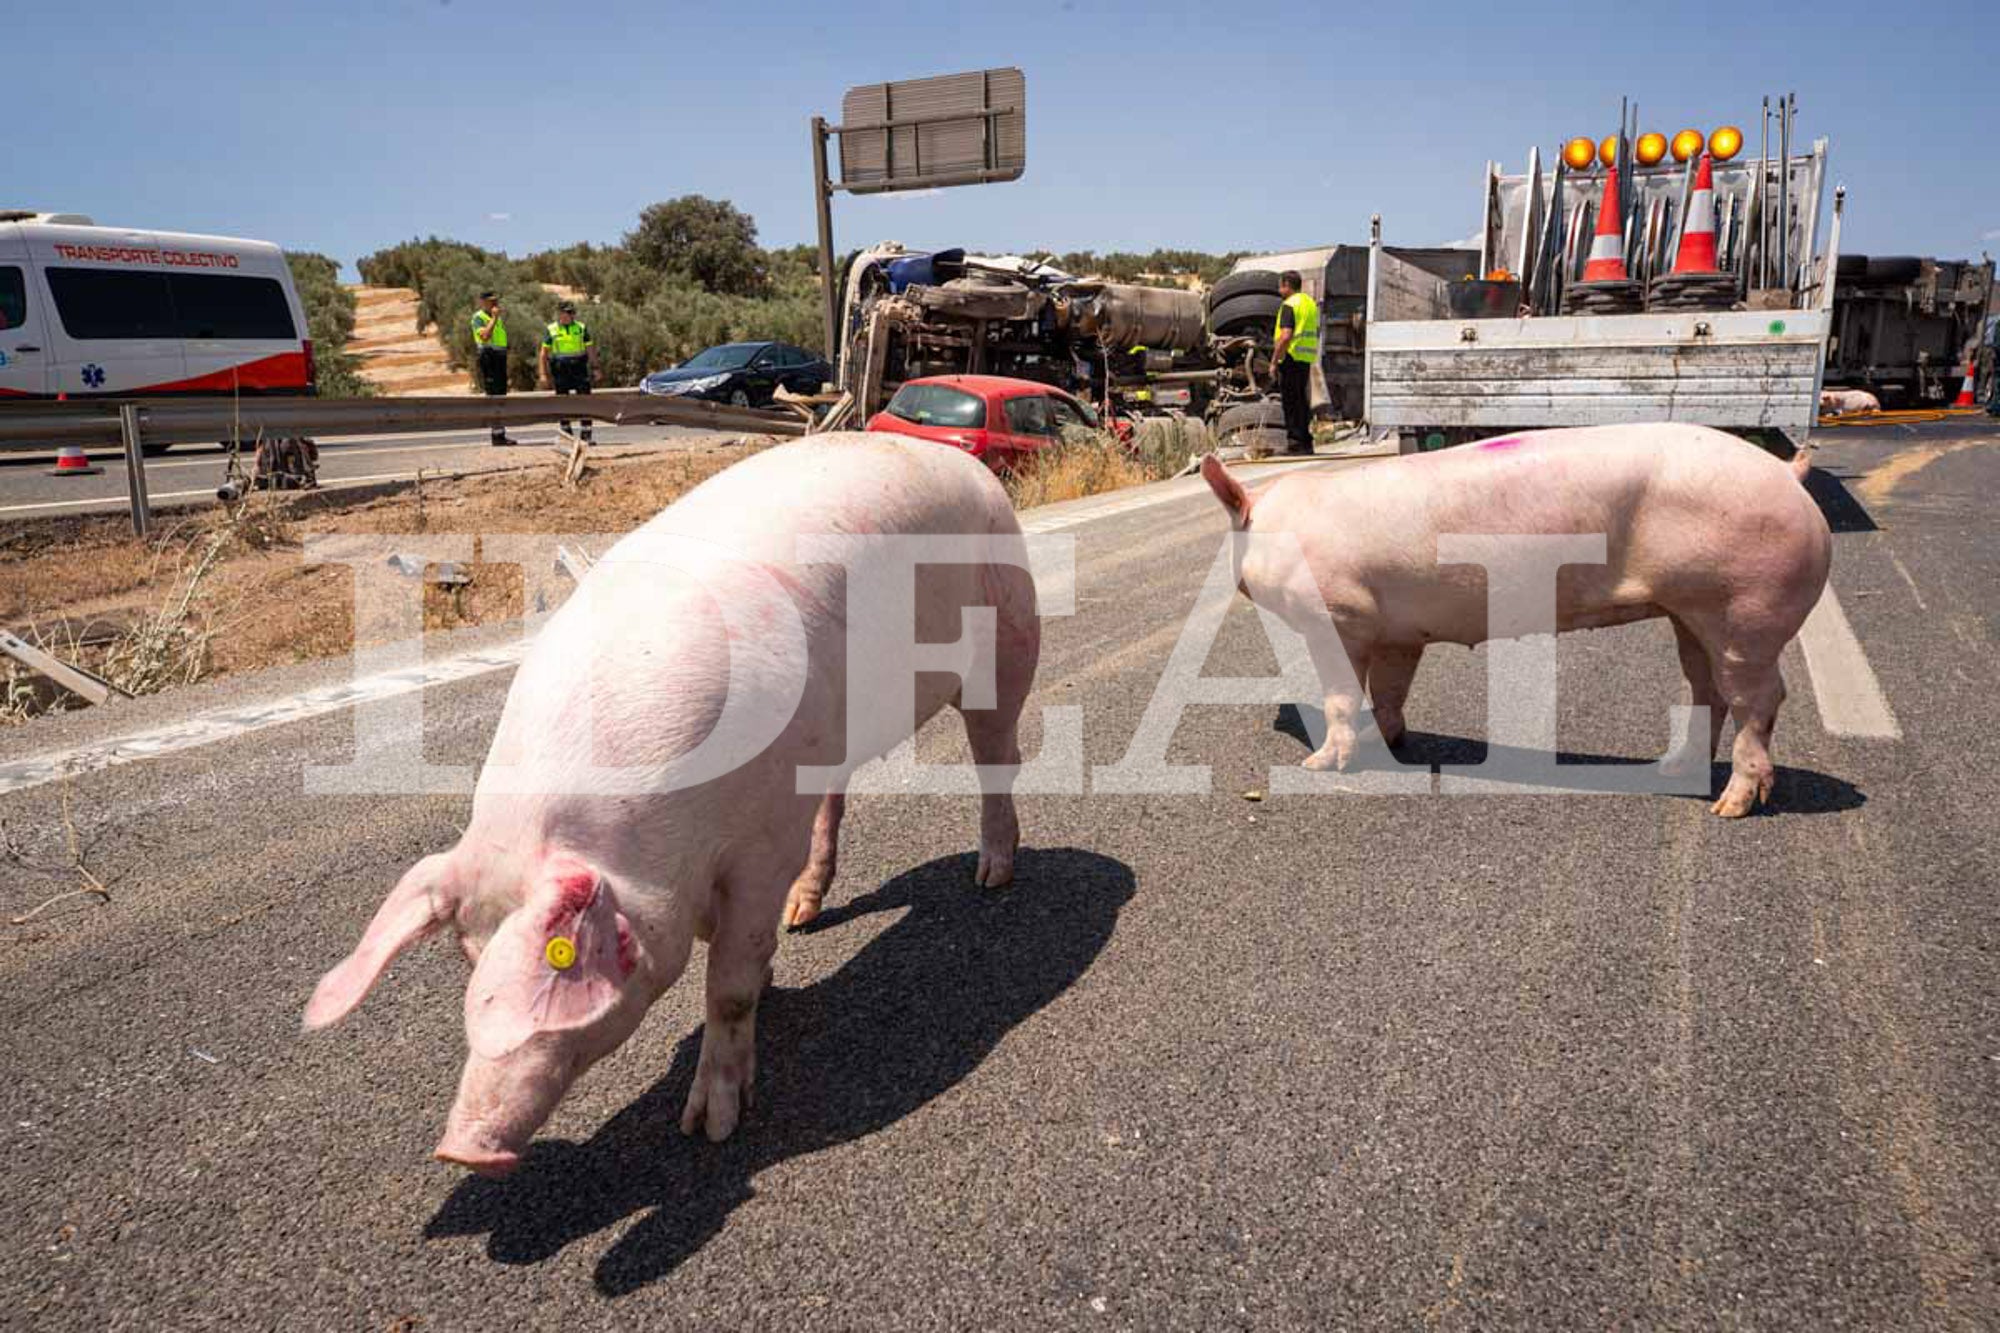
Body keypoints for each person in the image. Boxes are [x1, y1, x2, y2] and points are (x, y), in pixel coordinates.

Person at [1270, 270, 1320, 455]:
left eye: (1280, 285)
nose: (1279, 289)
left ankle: (1294, 443)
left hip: (1290, 357)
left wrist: (1274, 361)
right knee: (1302, 401)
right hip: (1305, 358)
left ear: (1287, 286)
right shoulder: (1309, 304)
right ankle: (1306, 443)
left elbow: (1285, 336)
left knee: (1291, 403)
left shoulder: (1289, 305)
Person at [539, 300, 596, 443]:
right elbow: (543, 354)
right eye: (566, 313)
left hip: (579, 367)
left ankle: (586, 435)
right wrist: (543, 374)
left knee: (584, 400)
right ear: (560, 314)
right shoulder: (551, 329)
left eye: (572, 313)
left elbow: (590, 349)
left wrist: (596, 367)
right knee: (562, 401)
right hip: (560, 368)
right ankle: (567, 435)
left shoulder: (581, 327)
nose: (570, 315)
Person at [470, 291, 516, 447]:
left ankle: (500, 435)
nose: (495, 304)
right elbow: (484, 336)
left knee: (501, 394)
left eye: (496, 300)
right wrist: (495, 318)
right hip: (488, 356)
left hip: (499, 357)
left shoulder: (496, 318)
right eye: (491, 301)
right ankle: (496, 435)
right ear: (482, 302)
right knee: (493, 394)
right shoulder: (479, 317)